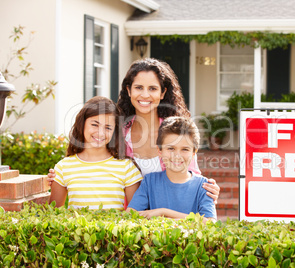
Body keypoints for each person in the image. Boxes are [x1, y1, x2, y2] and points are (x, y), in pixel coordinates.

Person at [48, 58, 220, 203]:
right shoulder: (116, 132)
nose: (145, 95)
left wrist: (209, 191)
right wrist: (61, 177)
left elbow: (192, 177)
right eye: (139, 88)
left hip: (169, 219)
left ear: (162, 93)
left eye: (152, 88)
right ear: (129, 90)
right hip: (129, 223)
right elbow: (94, 163)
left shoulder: (177, 134)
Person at [49, 96, 142, 210]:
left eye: (108, 128)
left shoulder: (126, 167)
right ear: (82, 124)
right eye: (95, 125)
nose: (101, 133)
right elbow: (53, 213)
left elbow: (136, 214)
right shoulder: (63, 167)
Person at [126, 117, 217, 223]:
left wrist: (164, 212)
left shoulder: (204, 186)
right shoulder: (150, 181)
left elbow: (210, 222)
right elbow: (130, 215)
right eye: (171, 148)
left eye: (185, 149)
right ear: (159, 151)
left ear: (193, 153)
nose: (177, 156)